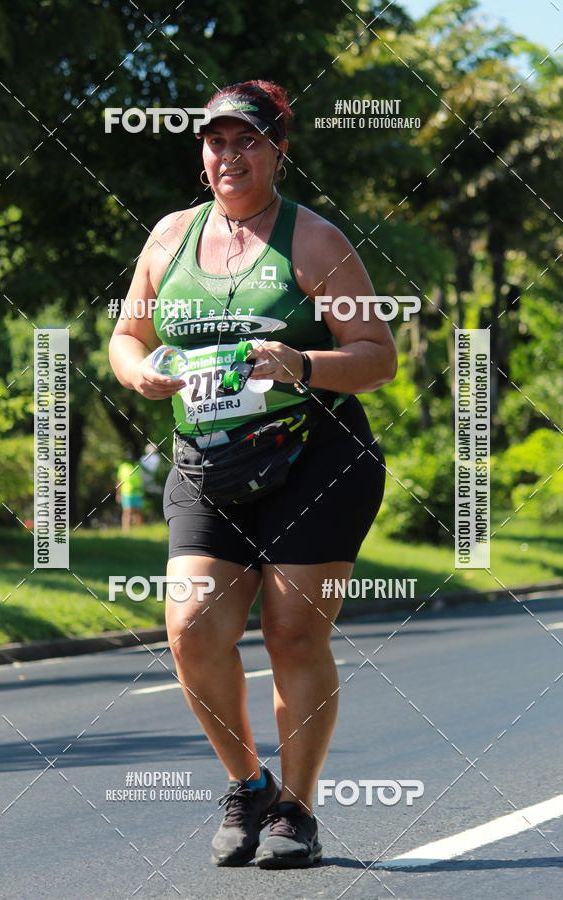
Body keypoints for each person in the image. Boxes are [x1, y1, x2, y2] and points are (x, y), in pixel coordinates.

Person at [109, 79, 397, 869]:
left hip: (319, 460)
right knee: (192, 628)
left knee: (293, 632)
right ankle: (249, 784)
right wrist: (140, 375)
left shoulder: (315, 242)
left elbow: (378, 359)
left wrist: (300, 360)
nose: (230, 155)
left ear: (278, 151)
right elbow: (126, 336)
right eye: (216, 142)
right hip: (209, 460)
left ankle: (297, 813)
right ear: (202, 154)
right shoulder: (170, 237)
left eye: (248, 142)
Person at [115, 453, 144, 531]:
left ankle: (139, 530)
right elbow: (119, 481)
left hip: (138, 492)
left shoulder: (137, 466)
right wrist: (118, 494)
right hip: (126, 493)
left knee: (138, 512)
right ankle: (126, 530)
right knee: (127, 512)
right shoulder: (122, 467)